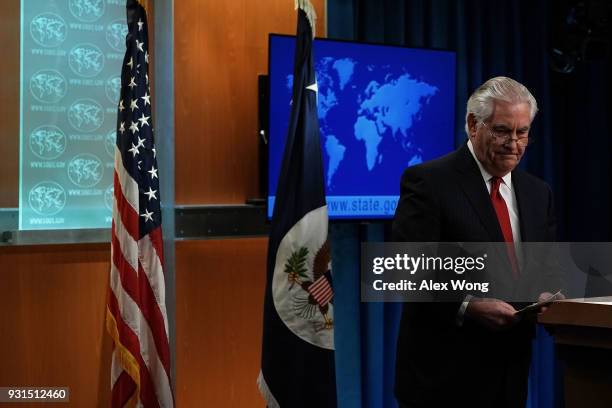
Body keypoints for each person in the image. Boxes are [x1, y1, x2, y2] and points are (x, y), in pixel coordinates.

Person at [392, 77, 559, 407]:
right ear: (473, 125)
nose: (514, 143)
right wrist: (465, 306)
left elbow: (546, 266)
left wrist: (548, 293)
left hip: (509, 374)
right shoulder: (428, 182)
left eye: (522, 132)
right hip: (442, 378)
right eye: (502, 130)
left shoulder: (538, 193)